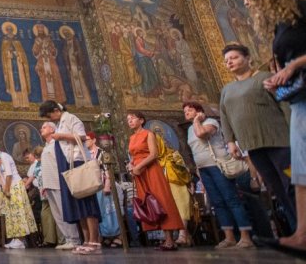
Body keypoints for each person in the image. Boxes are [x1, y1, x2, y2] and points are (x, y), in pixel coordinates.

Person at [239, 0, 306, 253]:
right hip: (298, 97)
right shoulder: (281, 25)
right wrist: (279, 78)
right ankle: (302, 235)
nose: (246, 2)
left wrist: (294, 66)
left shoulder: (301, 11)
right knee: (301, 170)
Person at [217, 41, 296, 234]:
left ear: (247, 58)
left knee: (292, 184)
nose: (230, 62)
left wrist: (294, 132)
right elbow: (224, 116)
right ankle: (296, 230)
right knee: (275, 188)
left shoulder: (265, 77)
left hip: (279, 142)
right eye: (226, 60)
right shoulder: (227, 90)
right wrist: (230, 142)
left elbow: (285, 105)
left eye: (234, 57)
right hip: (253, 146)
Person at [183, 101, 254, 249]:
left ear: (199, 111)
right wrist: (198, 171)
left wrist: (196, 120)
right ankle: (229, 237)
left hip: (218, 166)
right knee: (218, 203)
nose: (186, 113)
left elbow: (201, 134)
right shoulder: (189, 129)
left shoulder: (211, 122)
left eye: (189, 110)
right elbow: (195, 150)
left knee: (231, 199)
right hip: (203, 169)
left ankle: (245, 237)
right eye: (185, 112)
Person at [39, 101, 101, 254]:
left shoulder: (71, 118)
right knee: (77, 204)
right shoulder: (60, 123)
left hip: (78, 161)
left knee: (86, 202)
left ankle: (94, 241)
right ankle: (86, 240)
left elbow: (82, 137)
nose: (50, 119)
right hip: (68, 164)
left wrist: (61, 136)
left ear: (56, 110)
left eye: (49, 115)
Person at [126, 111, 182, 251]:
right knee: (148, 202)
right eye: (128, 119)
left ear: (141, 120)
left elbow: (153, 154)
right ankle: (163, 238)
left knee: (161, 200)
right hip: (139, 172)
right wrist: (131, 165)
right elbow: (133, 155)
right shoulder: (132, 137)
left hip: (151, 170)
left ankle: (170, 239)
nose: (130, 121)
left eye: (133, 118)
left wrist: (138, 166)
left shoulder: (148, 134)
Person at [0, 147, 37, 249]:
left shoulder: (4, 156)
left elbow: (9, 175)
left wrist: (7, 190)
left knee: (18, 213)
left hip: (14, 187)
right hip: (7, 188)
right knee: (11, 215)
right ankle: (16, 238)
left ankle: (20, 240)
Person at [39, 121, 81, 250]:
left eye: (44, 127)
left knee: (64, 211)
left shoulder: (57, 144)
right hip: (49, 184)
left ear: (52, 130)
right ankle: (68, 239)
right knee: (57, 215)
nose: (41, 129)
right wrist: (44, 185)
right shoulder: (46, 147)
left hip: (58, 182)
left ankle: (74, 239)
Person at [85, 133, 121, 248]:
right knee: (98, 212)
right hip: (91, 186)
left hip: (102, 184)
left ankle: (116, 236)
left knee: (108, 211)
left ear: (94, 140)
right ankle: (103, 236)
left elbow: (107, 170)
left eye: (87, 140)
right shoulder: (85, 153)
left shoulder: (101, 153)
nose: (85, 142)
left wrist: (107, 184)